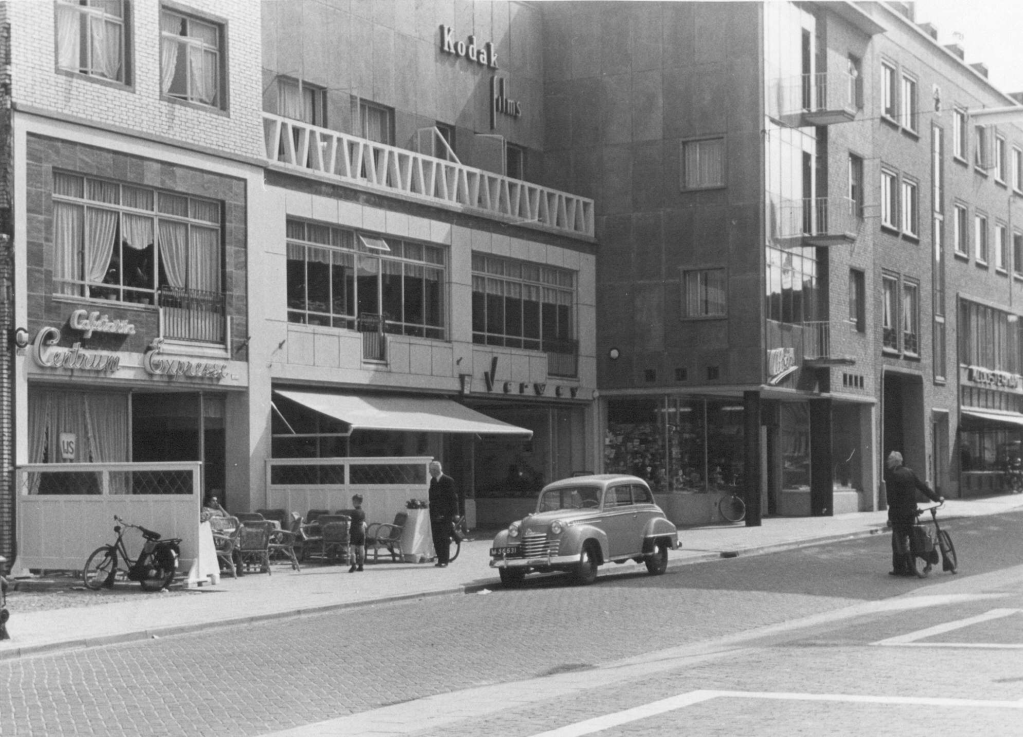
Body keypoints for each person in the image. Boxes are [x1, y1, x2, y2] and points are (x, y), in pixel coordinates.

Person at [885, 451, 943, 576]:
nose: (887, 462)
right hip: (911, 512)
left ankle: (899, 569)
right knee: (912, 538)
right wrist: (937, 498)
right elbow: (922, 487)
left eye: (889, 460)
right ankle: (912, 568)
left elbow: (892, 500)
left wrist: (890, 517)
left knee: (898, 541)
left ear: (894, 462)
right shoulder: (910, 472)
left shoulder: (892, 475)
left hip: (899, 514)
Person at [428, 460, 458, 568]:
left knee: (444, 537)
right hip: (435, 513)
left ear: (435, 470)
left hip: (446, 513)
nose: (429, 473)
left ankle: (444, 560)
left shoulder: (448, 480)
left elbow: (453, 498)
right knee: (436, 537)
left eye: (430, 470)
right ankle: (440, 558)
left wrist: (455, 513)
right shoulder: (433, 481)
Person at [348, 494, 367, 573]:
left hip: (355, 531)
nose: (352, 503)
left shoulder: (353, 512)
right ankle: (361, 565)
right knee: (361, 548)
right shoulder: (363, 512)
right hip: (362, 530)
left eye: (353, 501)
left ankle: (353, 565)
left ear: (355, 502)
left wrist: (349, 531)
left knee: (352, 549)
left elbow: (351, 521)